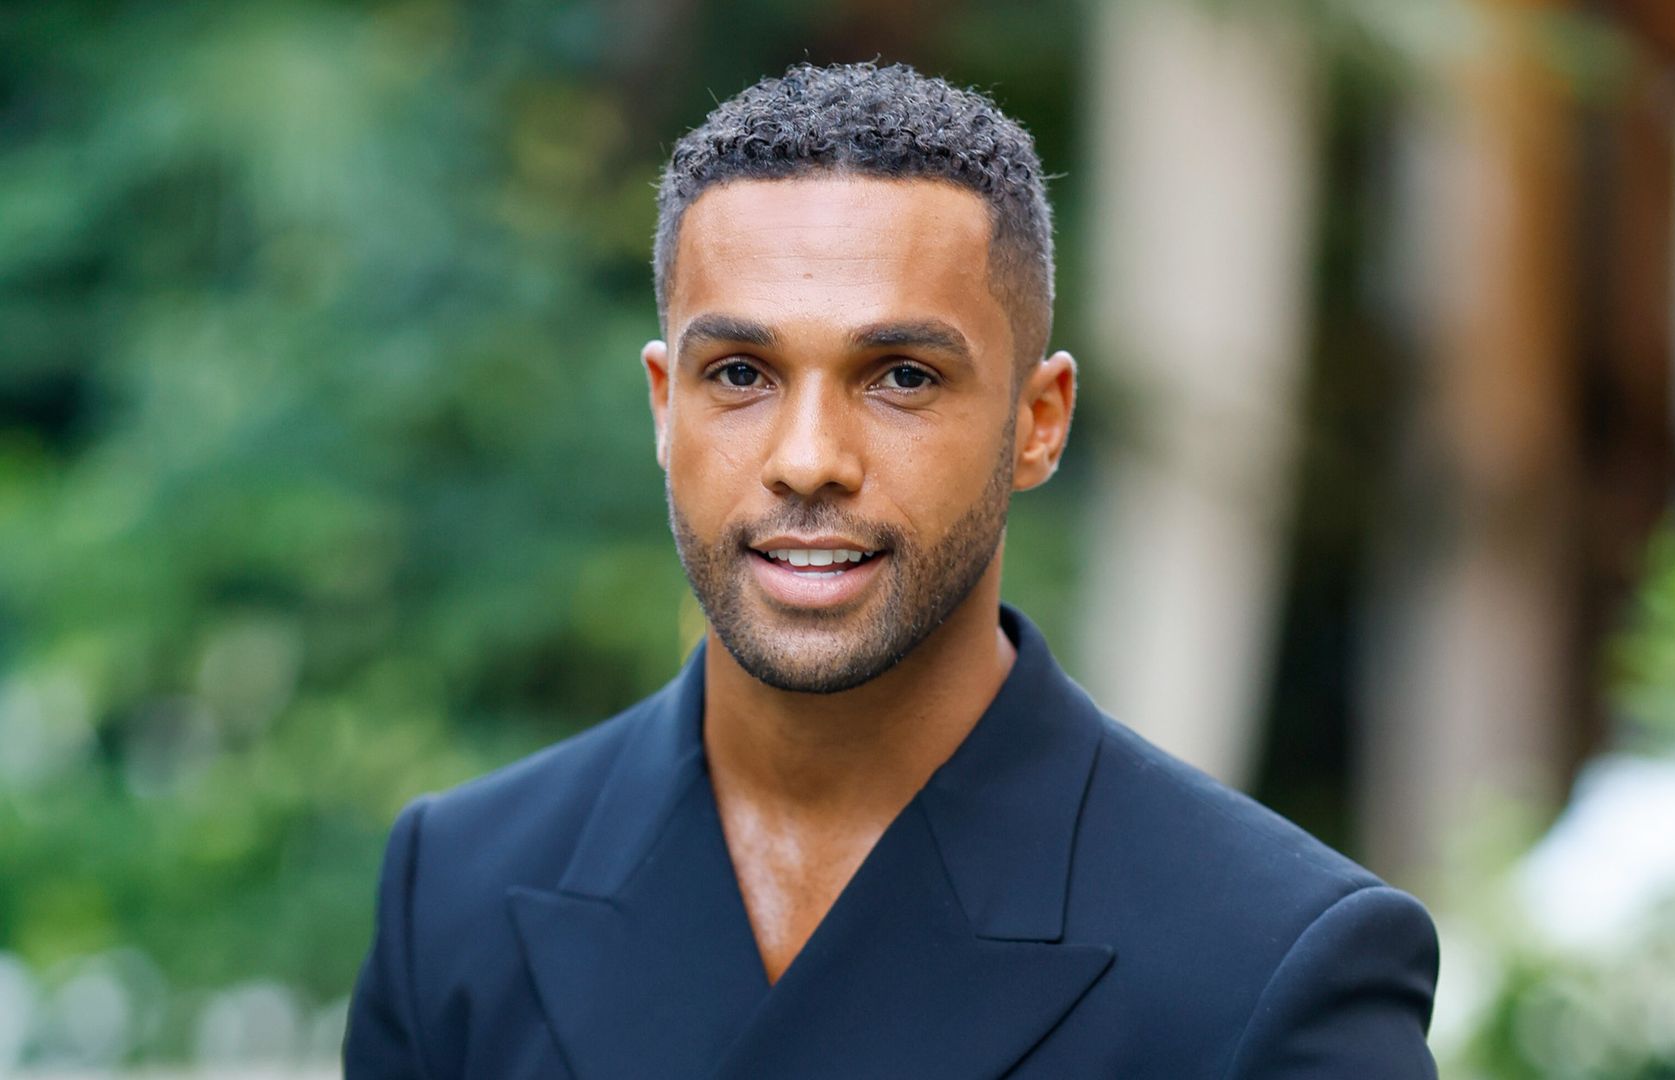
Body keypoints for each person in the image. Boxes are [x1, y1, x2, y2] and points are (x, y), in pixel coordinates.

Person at [344, 60, 1440, 1079]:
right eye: (741, 373)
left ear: (1039, 422)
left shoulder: (1274, 963)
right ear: (664, 406)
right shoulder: (454, 892)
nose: (808, 458)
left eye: (902, 376)